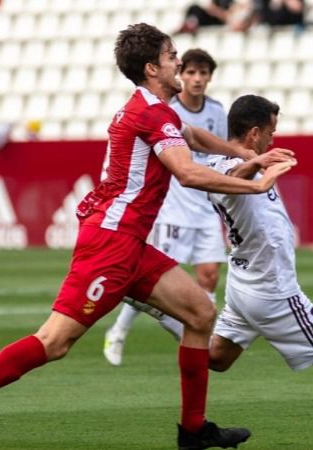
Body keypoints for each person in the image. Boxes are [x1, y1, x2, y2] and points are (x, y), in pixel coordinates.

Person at [0, 23, 296, 450]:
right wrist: (256, 183)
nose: (180, 63)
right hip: (111, 245)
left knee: (198, 312)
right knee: (55, 341)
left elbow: (192, 137)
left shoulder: (155, 109)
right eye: (173, 57)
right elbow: (189, 173)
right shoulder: (152, 114)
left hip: (128, 241)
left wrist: (244, 153)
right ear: (154, 68)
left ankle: (193, 430)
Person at [131, 94, 313, 450]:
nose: (274, 138)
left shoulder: (241, 162)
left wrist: (258, 163)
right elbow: (233, 178)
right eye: (271, 131)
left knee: (218, 358)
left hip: (245, 285)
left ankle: (162, 309)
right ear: (254, 133)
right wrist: (258, 165)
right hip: (274, 290)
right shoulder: (224, 169)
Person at [103, 48, 228, 367]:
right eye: (191, 72)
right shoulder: (165, 108)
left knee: (210, 275)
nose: (197, 79)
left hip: (205, 205)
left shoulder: (217, 111)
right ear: (182, 75)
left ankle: (204, 336)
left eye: (203, 73)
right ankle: (118, 331)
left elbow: (221, 153)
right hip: (175, 205)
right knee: (154, 281)